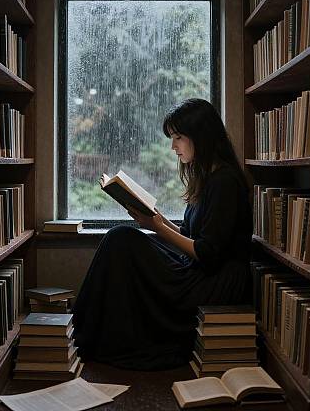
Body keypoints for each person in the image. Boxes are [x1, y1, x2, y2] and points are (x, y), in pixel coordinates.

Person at [72, 98, 252, 370]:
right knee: (121, 239)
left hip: (216, 281)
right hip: (201, 268)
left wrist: (155, 225)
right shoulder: (208, 177)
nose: (173, 146)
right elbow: (192, 236)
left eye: (178, 138)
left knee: (121, 239)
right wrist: (155, 218)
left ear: (201, 138)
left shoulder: (224, 182)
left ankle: (82, 334)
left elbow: (207, 253)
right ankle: (83, 332)